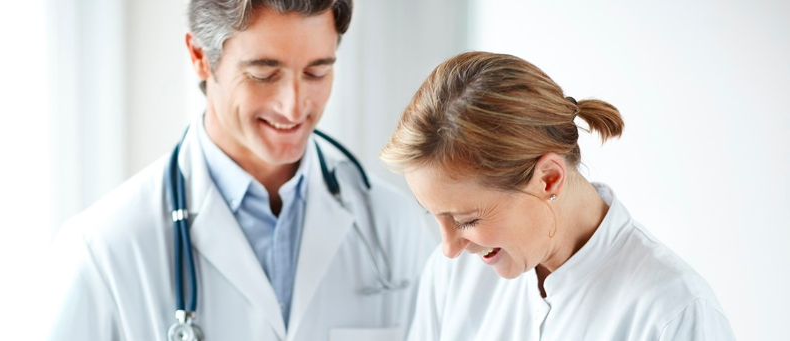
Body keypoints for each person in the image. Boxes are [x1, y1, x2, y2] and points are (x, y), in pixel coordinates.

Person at [46, 1, 435, 340]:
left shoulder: (393, 226)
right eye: (264, 74)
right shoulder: (104, 247)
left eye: (316, 72)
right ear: (199, 56)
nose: (294, 106)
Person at [379, 51, 736, 340]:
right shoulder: (452, 278)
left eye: (466, 220)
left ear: (549, 179)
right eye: (434, 215)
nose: (449, 249)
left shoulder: (674, 314)